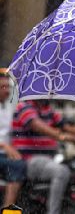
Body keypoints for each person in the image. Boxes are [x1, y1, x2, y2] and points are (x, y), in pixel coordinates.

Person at [12, 99, 75, 214]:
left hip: (48, 160)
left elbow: (65, 125)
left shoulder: (47, 109)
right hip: (29, 160)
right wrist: (65, 137)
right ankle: (53, 212)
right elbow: (39, 126)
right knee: (61, 172)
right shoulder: (24, 107)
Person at [0, 69, 26, 207]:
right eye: (2, 87)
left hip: (7, 153)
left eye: (8, 87)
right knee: (17, 165)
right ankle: (8, 209)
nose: (6, 90)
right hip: (3, 152)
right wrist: (5, 146)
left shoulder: (9, 107)